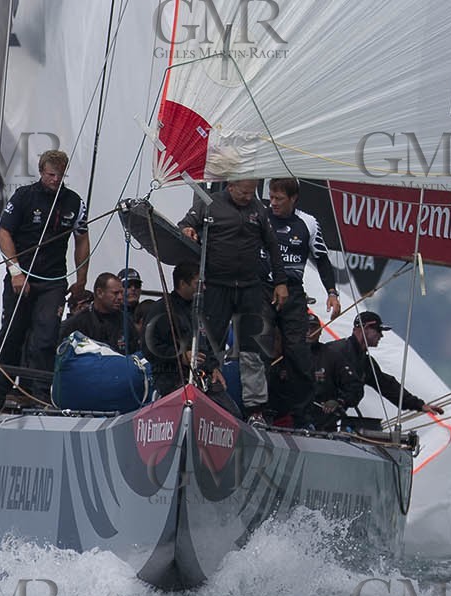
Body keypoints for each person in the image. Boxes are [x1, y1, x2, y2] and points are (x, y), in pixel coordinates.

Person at [179, 179, 288, 420]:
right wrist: (188, 230)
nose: (248, 197)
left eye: (252, 193)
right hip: (217, 286)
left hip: (249, 287)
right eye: (244, 193)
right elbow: (185, 223)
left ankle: (255, 409)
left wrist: (280, 281)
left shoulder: (258, 209)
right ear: (230, 187)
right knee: (211, 344)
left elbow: (272, 245)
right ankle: (205, 396)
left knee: (252, 349)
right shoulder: (210, 204)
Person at [0, 149, 89, 410]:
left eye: (60, 175)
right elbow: (3, 234)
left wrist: (81, 279)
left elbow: (82, 239)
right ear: (42, 172)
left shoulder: (74, 202)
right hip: (22, 278)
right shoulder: (25, 196)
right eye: (50, 175)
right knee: (12, 336)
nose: (55, 180)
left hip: (53, 280)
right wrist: (15, 272)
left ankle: (40, 396)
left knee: (45, 338)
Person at [265, 177, 342, 413]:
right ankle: (259, 410)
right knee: (260, 348)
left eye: (279, 199)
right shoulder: (260, 216)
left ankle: (302, 413)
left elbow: (322, 259)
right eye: (271, 197)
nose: (274, 203)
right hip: (263, 289)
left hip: (293, 293)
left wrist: (332, 293)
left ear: (293, 199)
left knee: (298, 353)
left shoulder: (308, 222)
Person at [310, 311, 437, 427]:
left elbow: (387, 385)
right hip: (310, 417)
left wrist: (419, 405)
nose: (381, 335)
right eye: (378, 330)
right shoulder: (333, 351)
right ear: (365, 328)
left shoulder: (365, 362)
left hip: (329, 422)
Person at [141, 261, 225, 401]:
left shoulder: (199, 310)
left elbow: (207, 345)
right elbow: (149, 348)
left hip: (203, 377)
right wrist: (180, 357)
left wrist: (214, 367)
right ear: (182, 284)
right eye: (197, 284)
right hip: (171, 377)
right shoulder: (161, 310)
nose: (203, 288)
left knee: (231, 414)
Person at [59, 272, 137, 355]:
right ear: (99, 293)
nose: (120, 297)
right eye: (115, 293)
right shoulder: (76, 323)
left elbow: (136, 352)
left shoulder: (126, 321)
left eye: (121, 293)